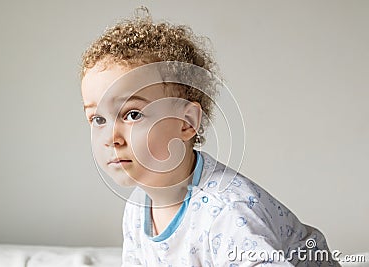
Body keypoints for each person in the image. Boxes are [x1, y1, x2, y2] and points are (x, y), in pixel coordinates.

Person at [80, 7, 340, 267]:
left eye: (133, 114)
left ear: (186, 123)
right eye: (98, 119)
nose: (110, 137)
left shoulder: (226, 209)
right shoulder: (138, 207)